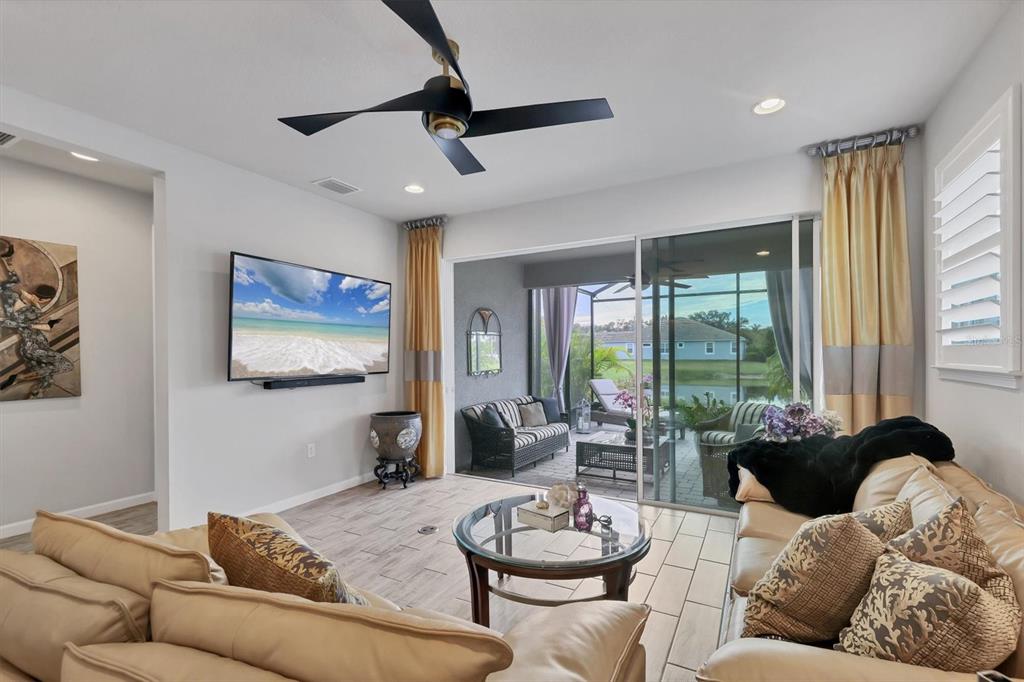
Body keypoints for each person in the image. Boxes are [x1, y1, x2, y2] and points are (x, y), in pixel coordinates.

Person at [0, 240, 73, 398]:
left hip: (29, 347)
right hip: (34, 346)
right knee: (65, 366)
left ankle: (38, 392)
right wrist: (44, 325)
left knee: (46, 372)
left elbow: (13, 280)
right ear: (41, 299)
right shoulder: (31, 311)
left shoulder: (10, 298)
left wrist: (8, 261)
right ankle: (19, 378)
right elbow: (37, 326)